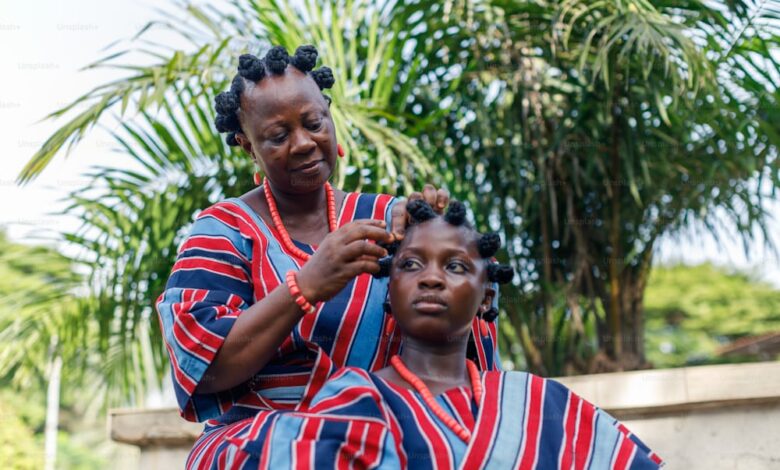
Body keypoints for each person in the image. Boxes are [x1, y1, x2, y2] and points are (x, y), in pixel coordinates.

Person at [155, 45, 502, 468]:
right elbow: (204, 367)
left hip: (385, 435)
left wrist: (441, 245)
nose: (302, 143)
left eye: (314, 122)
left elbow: (458, 340)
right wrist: (306, 286)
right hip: (259, 442)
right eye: (278, 137)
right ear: (248, 148)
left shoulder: (388, 220)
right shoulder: (225, 230)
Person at [214, 200, 665, 469]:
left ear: (487, 297)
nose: (431, 278)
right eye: (411, 264)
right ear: (387, 293)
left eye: (455, 266)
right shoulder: (351, 402)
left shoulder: (542, 405)